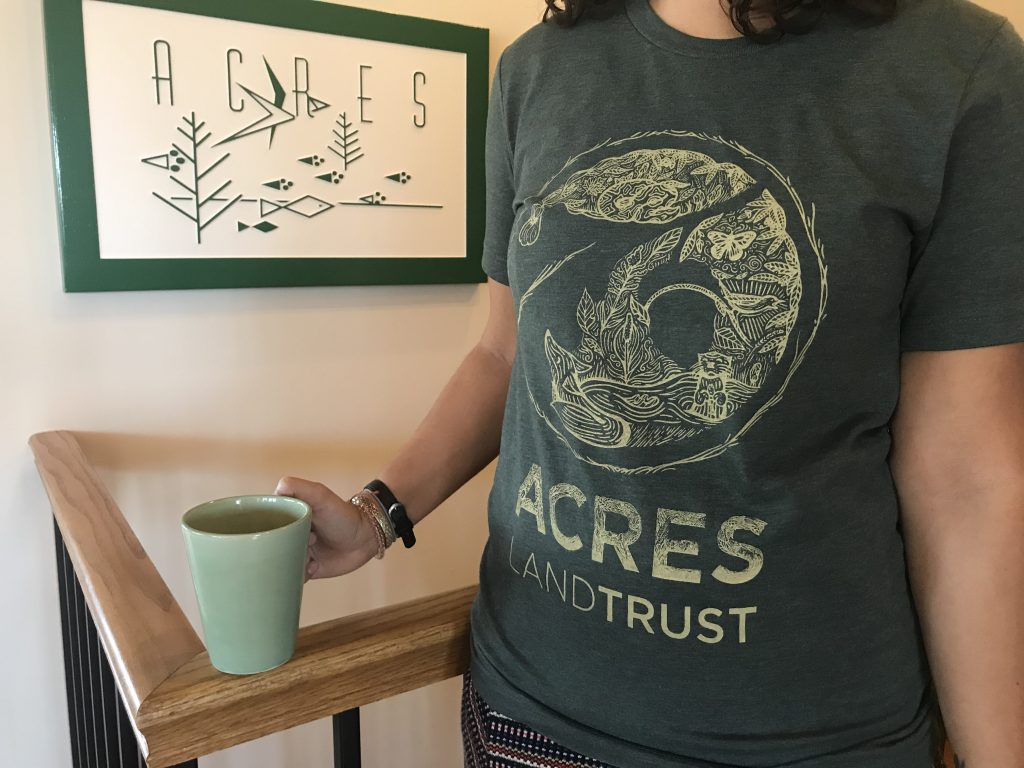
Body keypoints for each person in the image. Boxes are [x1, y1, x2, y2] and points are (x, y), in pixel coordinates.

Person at [276, 0, 1024, 765]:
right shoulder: (536, 70)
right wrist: (376, 515)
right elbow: (505, 356)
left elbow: (965, 477)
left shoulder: (954, 72)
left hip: (812, 736)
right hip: (532, 714)